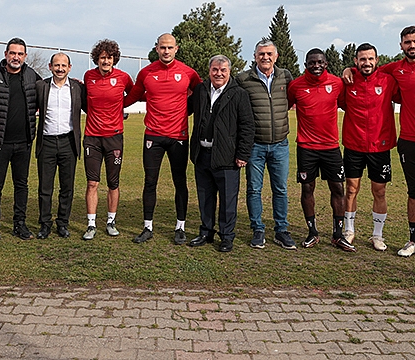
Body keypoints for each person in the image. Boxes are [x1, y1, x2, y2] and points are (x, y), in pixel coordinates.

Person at [344, 26, 415, 268]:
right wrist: (349, 70)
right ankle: (414, 241)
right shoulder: (396, 68)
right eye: (407, 42)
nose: (411, 45)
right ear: (401, 45)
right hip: (409, 141)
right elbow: (369, 72)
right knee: (414, 193)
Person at [124, 33, 201, 244]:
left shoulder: (188, 73)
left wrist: (188, 110)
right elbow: (131, 97)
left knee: (180, 181)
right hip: (153, 135)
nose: (166, 51)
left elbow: (201, 94)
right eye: (162, 47)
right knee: (150, 182)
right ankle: (147, 227)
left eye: (170, 47)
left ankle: (180, 227)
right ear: (156, 49)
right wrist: (109, 104)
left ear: (176, 49)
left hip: (179, 136)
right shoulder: (146, 73)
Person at [287, 49, 354, 252]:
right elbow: (284, 106)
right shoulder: (296, 85)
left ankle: (338, 234)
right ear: (305, 63)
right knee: (307, 188)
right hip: (306, 147)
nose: (316, 65)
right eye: (312, 62)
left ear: (326, 63)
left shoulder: (336, 83)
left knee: (338, 189)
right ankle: (312, 232)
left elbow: (346, 105)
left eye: (320, 62)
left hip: (331, 147)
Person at [0, 38, 41, 246]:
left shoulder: (32, 76)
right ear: (5, 54)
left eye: (20, 54)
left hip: (24, 143)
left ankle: (19, 224)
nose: (16, 57)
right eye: (12, 53)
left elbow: (49, 93)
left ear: (25, 56)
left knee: (21, 185)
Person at [188, 55, 254, 252]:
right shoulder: (200, 90)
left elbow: (247, 126)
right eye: (215, 69)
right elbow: (184, 109)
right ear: (209, 71)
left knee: (227, 200)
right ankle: (206, 232)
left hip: (227, 156)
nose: (218, 73)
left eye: (223, 70)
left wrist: (243, 154)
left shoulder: (239, 94)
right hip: (202, 154)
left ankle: (226, 236)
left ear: (229, 71)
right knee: (205, 197)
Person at [236, 39, 295, 250]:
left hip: (280, 144)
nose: (265, 57)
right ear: (255, 56)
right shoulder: (243, 79)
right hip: (255, 146)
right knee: (254, 189)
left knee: (280, 189)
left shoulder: (285, 76)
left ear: (276, 56)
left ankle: (281, 230)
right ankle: (258, 229)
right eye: (261, 54)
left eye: (269, 54)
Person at [338, 43, 397, 251]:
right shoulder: (348, 81)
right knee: (351, 189)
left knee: (379, 191)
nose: (367, 63)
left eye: (370, 59)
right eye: (362, 59)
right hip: (354, 144)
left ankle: (377, 235)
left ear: (377, 60)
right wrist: (346, 72)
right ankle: (349, 230)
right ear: (356, 61)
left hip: (380, 146)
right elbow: (339, 103)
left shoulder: (388, 81)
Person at [82, 39, 134, 240]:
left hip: (114, 138)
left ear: (114, 59)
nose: (106, 61)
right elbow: (85, 101)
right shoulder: (88, 76)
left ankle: (111, 221)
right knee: (92, 182)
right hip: (92, 138)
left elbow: (133, 94)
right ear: (97, 59)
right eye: (102, 57)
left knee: (113, 183)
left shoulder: (123, 77)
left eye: (109, 57)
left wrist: (120, 106)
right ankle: (91, 224)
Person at [35, 53, 86, 239]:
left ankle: (63, 223)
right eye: (56, 65)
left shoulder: (77, 88)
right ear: (50, 66)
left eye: (64, 65)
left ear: (70, 67)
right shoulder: (41, 87)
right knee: (45, 188)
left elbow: (92, 107)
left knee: (67, 187)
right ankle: (45, 224)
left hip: (68, 142)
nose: (60, 69)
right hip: (47, 142)